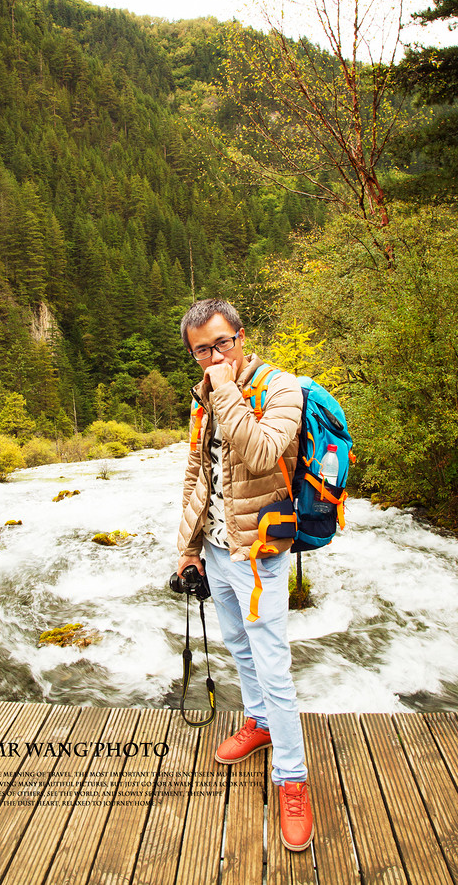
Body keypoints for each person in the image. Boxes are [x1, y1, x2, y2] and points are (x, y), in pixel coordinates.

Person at [176, 298, 313, 852]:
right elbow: (195, 473)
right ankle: (257, 722)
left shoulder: (281, 388)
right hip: (214, 547)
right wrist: (187, 548)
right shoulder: (201, 399)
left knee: (273, 662)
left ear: (239, 336)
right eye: (201, 351)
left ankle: (293, 777)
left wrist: (223, 386)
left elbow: (260, 454)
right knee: (237, 644)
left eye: (221, 343)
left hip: (259, 552)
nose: (213, 358)